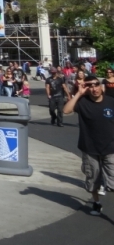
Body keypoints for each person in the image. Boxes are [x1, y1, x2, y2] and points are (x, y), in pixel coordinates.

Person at [63, 75, 114, 215]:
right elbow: (66, 110)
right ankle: (96, 203)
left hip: (111, 148)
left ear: (101, 86)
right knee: (93, 180)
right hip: (90, 148)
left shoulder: (111, 102)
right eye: (89, 86)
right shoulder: (82, 103)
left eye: (96, 84)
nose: (94, 88)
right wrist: (78, 93)